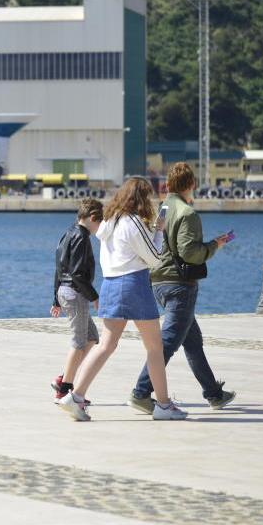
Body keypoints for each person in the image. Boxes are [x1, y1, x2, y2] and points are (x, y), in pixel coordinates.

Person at [56, 177, 187, 422]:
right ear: (140, 198)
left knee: (106, 345)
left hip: (111, 285)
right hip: (134, 284)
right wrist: (159, 230)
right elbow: (155, 257)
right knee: (155, 347)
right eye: (147, 197)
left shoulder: (109, 223)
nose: (150, 201)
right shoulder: (133, 221)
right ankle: (164, 405)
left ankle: (75, 396)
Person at [128, 162, 235, 412]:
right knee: (168, 342)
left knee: (192, 341)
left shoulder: (162, 210)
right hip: (179, 285)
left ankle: (214, 393)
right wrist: (213, 246)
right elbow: (189, 252)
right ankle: (141, 392)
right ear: (191, 184)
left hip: (159, 282)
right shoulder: (187, 213)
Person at [50, 198, 104, 399]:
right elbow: (77, 274)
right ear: (92, 217)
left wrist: (56, 298)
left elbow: (59, 269)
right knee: (79, 342)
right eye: (100, 222)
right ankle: (64, 388)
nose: (99, 227)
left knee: (92, 337)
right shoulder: (81, 237)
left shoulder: (67, 234)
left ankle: (65, 377)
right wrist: (94, 297)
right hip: (75, 293)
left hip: (65, 291)